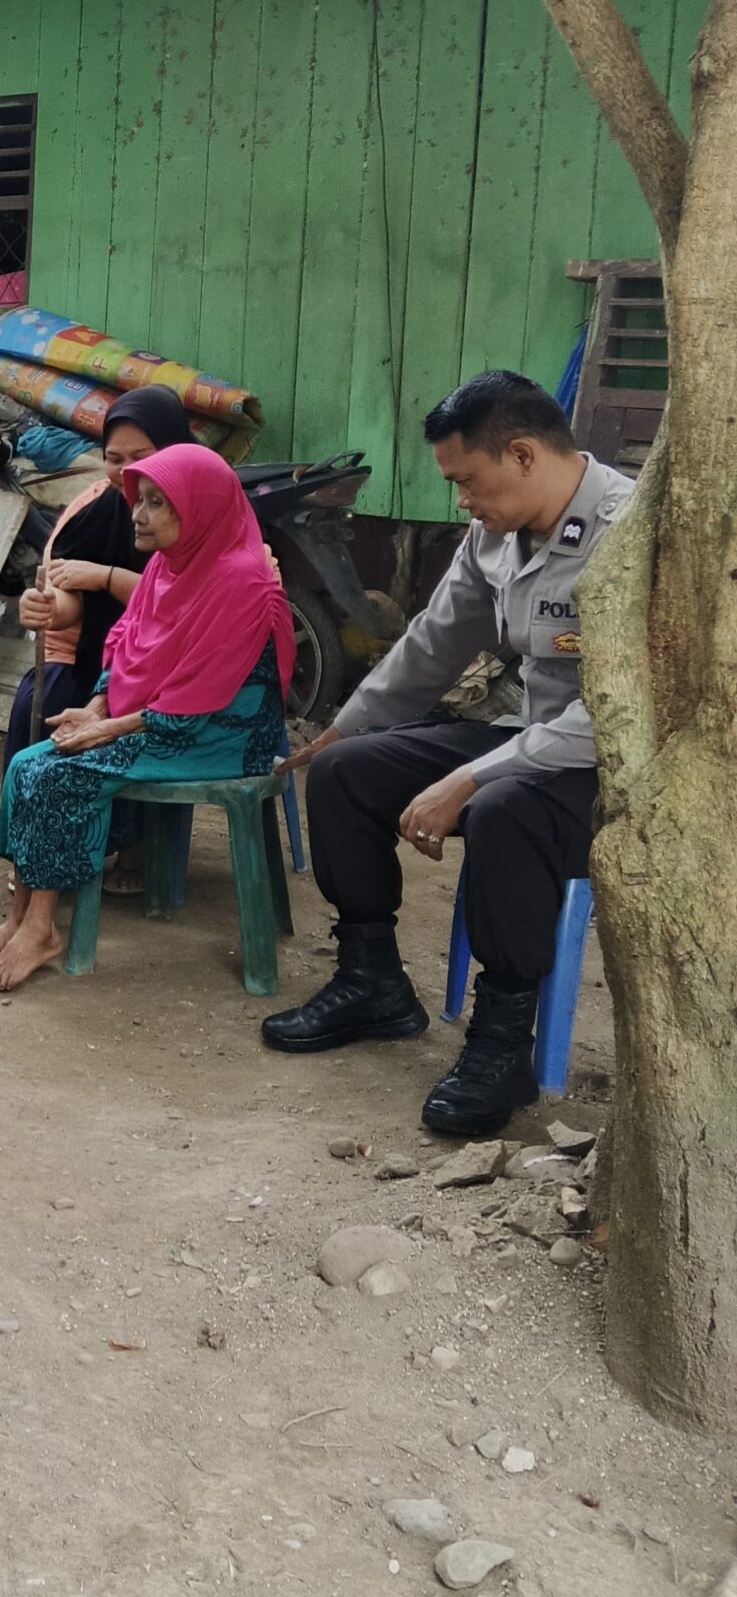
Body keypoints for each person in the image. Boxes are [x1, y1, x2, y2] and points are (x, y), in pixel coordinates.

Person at [262, 372, 630, 1139]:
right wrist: (345, 728)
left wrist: (471, 775)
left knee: (502, 809)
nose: (460, 500)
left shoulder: (627, 534)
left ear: (522, 455)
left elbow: (612, 716)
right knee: (346, 773)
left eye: (466, 480)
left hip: (613, 767)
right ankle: (373, 983)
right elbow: (433, 644)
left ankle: (503, 1045)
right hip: (530, 736)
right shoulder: (496, 534)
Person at [0, 445, 293, 991]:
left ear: (199, 507)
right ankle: (20, 918)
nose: (138, 514)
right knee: (27, 764)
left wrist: (107, 729)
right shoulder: (168, 566)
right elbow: (126, 648)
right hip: (162, 719)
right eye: (140, 501)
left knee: (61, 773)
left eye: (157, 503)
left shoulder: (241, 579)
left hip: (222, 735)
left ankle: (42, 930)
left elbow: (200, 694)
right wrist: (95, 707)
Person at [10, 386, 197, 894]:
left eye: (142, 456)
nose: (127, 472)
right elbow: (69, 595)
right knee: (39, 698)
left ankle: (135, 847)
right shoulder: (95, 509)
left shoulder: (201, 509)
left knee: (136, 712)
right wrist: (47, 607)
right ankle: (39, 846)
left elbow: (190, 601)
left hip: (178, 667)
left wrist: (106, 577)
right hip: (97, 656)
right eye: (114, 459)